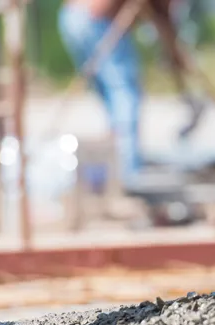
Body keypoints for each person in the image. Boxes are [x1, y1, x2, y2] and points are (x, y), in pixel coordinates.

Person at [58, 0, 144, 188]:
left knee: (111, 94)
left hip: (73, 15)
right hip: (96, 15)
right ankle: (126, 175)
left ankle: (115, 166)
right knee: (124, 92)